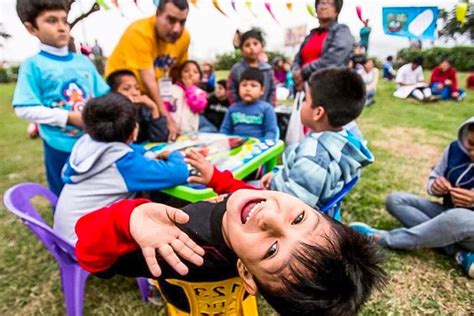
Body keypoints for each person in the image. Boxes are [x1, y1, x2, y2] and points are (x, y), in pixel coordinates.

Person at [75, 189, 387, 315]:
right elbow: (233, 196)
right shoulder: (246, 217)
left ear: (247, 274)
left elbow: (91, 259)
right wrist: (218, 180)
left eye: (273, 249)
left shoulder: (177, 245)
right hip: (236, 300)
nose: (271, 217)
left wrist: (125, 219)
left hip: (185, 301)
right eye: (300, 218)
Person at [191, 68, 373, 215]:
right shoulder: (341, 140)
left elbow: (283, 207)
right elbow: (302, 181)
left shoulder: (314, 156)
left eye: (305, 100)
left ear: (318, 113)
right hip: (309, 207)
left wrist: (216, 179)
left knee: (213, 210)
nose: (301, 104)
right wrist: (279, 173)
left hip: (285, 217)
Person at [53, 93, 189, 244]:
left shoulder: (87, 144)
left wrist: (147, 153)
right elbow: (179, 173)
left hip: (67, 237)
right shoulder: (124, 164)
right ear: (134, 131)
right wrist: (174, 153)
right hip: (88, 247)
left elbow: (131, 149)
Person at [350, 117, 474, 278]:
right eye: (470, 144)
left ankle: (385, 238)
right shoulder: (454, 150)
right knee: (395, 200)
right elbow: (434, 177)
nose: (472, 153)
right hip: (447, 213)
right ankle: (458, 252)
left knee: (458, 217)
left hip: (464, 222)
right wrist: (436, 186)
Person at [12, 0, 109, 196]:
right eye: (51, 20)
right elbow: (23, 107)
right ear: (31, 28)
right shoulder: (33, 65)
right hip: (59, 147)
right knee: (64, 195)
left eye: (64, 20)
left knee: (96, 192)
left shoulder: (84, 62)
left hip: (94, 143)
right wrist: (68, 117)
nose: (62, 27)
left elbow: (103, 96)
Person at [106, 0, 191, 141]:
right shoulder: (139, 32)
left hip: (153, 99)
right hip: (125, 97)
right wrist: (167, 119)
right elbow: (149, 81)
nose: (177, 29)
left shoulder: (184, 37)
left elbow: (177, 72)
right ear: (157, 14)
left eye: (182, 22)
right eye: (171, 20)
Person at [292, 0, 354, 91]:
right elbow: (297, 58)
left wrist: (303, 73)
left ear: (337, 10)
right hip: (305, 88)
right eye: (321, 3)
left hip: (329, 88)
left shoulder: (341, 31)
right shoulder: (311, 35)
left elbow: (333, 60)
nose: (323, 6)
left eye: (329, 3)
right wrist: (296, 73)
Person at [106, 69, 169, 143]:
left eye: (137, 88)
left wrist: (154, 108)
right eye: (126, 89)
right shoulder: (109, 117)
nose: (135, 93)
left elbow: (160, 139)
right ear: (113, 93)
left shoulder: (142, 110)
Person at [220, 67, 277, 140]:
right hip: (236, 147)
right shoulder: (233, 109)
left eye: (253, 85)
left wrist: (262, 144)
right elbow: (225, 130)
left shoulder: (267, 109)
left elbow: (271, 132)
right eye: (244, 85)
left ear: (262, 90)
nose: (247, 89)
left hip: (259, 147)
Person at [228, 29, 276, 105]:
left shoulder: (268, 69)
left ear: (262, 46)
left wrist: (268, 109)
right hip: (241, 114)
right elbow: (231, 91)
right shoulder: (236, 70)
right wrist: (237, 108)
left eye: (255, 44)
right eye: (247, 45)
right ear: (241, 49)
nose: (252, 48)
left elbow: (272, 91)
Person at [166, 60, 208, 133]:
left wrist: (189, 89)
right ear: (180, 74)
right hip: (171, 129)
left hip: (190, 131)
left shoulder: (200, 93)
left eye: (195, 72)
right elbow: (165, 106)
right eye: (186, 71)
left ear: (199, 78)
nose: (191, 74)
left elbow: (197, 107)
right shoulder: (172, 89)